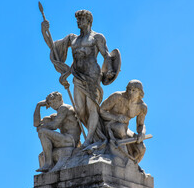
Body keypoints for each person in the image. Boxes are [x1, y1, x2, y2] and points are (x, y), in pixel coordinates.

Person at [41, 10, 116, 146]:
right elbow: (53, 47)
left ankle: (89, 139)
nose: (78, 21)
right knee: (80, 110)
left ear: (89, 21)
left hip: (92, 76)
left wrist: (110, 69)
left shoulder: (97, 37)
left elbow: (106, 55)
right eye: (77, 19)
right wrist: (44, 30)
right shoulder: (72, 39)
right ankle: (94, 136)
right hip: (77, 76)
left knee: (91, 107)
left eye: (81, 19)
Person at [100, 80, 147, 163]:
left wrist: (142, 133)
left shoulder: (142, 107)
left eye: (134, 91)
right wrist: (116, 117)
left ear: (140, 92)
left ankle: (133, 168)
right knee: (121, 128)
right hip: (108, 125)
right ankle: (124, 160)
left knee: (141, 148)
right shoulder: (117, 96)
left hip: (124, 129)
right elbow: (101, 111)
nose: (130, 92)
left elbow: (140, 125)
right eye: (129, 89)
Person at [34, 92, 81, 172]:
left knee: (43, 132)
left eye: (52, 102)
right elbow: (36, 124)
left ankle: (48, 164)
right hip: (65, 139)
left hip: (71, 139)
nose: (51, 105)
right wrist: (38, 106)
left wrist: (42, 127)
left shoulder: (64, 108)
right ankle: (48, 163)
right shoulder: (56, 114)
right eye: (49, 103)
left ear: (59, 99)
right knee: (42, 132)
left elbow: (54, 125)